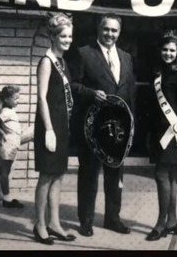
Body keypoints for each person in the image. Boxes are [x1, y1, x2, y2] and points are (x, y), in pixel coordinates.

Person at [69, 13, 136, 237]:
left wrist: (130, 126)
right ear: (99, 29)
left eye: (114, 30)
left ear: (119, 32)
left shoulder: (126, 57)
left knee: (115, 175)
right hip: (93, 127)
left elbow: (130, 92)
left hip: (118, 129)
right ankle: (86, 221)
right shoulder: (83, 53)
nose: (110, 34)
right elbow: (72, 85)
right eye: (106, 29)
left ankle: (112, 218)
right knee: (89, 174)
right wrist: (90, 93)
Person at [33, 13, 77, 245]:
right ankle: (39, 224)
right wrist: (49, 129)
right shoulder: (47, 61)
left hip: (62, 125)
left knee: (58, 175)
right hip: (48, 126)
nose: (67, 40)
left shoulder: (62, 61)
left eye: (70, 36)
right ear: (53, 37)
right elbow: (41, 98)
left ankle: (55, 223)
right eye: (63, 36)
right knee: (47, 176)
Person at [144, 30, 177, 241]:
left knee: (161, 175)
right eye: (165, 49)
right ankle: (171, 222)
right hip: (158, 131)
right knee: (170, 177)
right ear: (160, 51)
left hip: (174, 132)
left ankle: (161, 223)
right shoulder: (157, 72)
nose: (168, 53)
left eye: (172, 50)